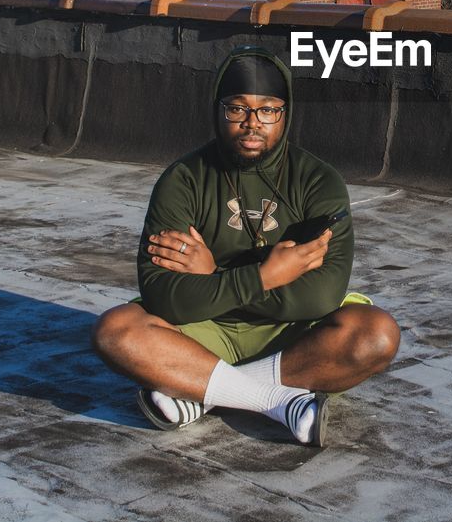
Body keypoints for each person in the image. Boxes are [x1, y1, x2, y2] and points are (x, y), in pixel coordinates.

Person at [91, 45, 400, 446]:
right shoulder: (183, 179)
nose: (252, 123)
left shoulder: (318, 181)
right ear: (218, 110)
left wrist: (213, 276)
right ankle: (276, 401)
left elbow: (320, 297)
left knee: (376, 334)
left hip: (290, 334)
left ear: (284, 114)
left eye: (267, 110)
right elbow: (163, 295)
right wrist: (268, 276)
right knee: (115, 331)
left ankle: (201, 392)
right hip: (202, 329)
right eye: (237, 109)